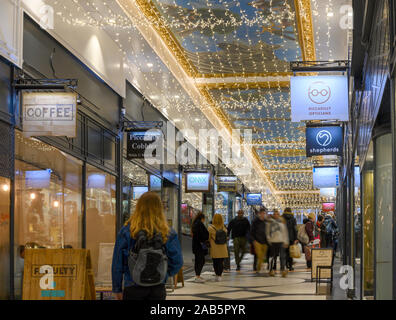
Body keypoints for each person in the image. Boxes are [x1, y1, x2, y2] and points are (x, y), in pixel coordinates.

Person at [111, 192, 183, 300]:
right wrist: (164, 274)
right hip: (157, 287)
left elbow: (117, 263)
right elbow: (177, 261)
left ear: (138, 207)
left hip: (132, 285)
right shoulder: (167, 232)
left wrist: (117, 288)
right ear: (159, 208)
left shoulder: (127, 231)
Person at [266, 210, 289, 277]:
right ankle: (271, 270)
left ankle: (282, 270)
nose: (276, 215)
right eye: (275, 214)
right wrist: (269, 240)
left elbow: (285, 232)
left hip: (281, 241)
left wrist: (286, 241)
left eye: (277, 214)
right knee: (273, 257)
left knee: (282, 256)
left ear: (279, 215)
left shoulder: (282, 223)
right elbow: (267, 232)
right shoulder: (270, 223)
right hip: (273, 242)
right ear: (273, 215)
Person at [208, 214, 229, 281]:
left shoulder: (210, 228)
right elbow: (226, 237)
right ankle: (220, 275)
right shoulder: (224, 228)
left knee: (215, 262)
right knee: (221, 262)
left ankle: (217, 275)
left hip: (215, 247)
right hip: (223, 247)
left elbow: (208, 238)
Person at [191, 212, 209, 283]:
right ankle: (197, 276)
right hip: (199, 246)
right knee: (200, 261)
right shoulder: (199, 224)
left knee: (198, 260)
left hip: (196, 245)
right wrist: (204, 239)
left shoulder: (195, 224)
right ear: (202, 218)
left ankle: (197, 275)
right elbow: (201, 234)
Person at [250, 207, 269, 274]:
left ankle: (260, 267)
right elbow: (251, 232)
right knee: (260, 255)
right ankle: (258, 268)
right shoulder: (255, 221)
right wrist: (253, 240)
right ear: (259, 214)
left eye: (264, 213)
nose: (263, 215)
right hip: (257, 241)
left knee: (263, 255)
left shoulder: (266, 221)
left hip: (265, 241)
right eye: (262, 213)